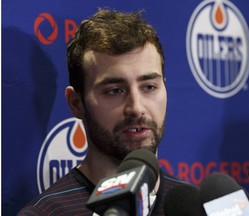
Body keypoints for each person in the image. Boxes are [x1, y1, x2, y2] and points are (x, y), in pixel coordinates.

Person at [17, 8, 187, 215]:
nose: (136, 107)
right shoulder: (45, 213)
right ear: (76, 103)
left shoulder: (195, 207)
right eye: (114, 91)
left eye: (149, 87)